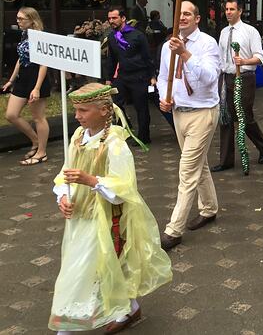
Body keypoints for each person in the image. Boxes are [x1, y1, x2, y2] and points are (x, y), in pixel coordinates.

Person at [49, 83, 171, 333]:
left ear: (104, 111)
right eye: (76, 110)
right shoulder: (77, 138)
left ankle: (67, 327)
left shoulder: (115, 144)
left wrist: (91, 180)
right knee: (99, 265)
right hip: (80, 214)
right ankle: (129, 307)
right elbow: (65, 172)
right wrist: (62, 196)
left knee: (86, 268)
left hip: (105, 217)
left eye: (83, 110)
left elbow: (124, 188)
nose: (77, 116)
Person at [157, 1, 222, 250]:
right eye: (179, 14)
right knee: (198, 164)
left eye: (187, 14)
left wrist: (185, 53)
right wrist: (164, 96)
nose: (182, 17)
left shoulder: (207, 44)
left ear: (197, 18)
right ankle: (209, 209)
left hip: (203, 113)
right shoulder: (166, 46)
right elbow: (164, 77)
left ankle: (174, 230)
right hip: (178, 113)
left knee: (187, 170)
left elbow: (209, 79)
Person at [214, 0, 263, 172]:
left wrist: (244, 60)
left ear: (240, 11)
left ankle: (262, 145)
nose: (228, 12)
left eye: (232, 9)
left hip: (244, 77)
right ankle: (226, 160)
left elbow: (260, 57)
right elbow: (220, 57)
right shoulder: (223, 32)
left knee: (244, 116)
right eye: (226, 9)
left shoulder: (250, 31)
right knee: (226, 117)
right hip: (226, 77)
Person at [2, 7, 51, 166]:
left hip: (36, 76)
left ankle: (42, 153)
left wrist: (36, 88)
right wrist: (11, 79)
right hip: (23, 76)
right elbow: (20, 58)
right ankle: (35, 141)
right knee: (11, 114)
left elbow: (44, 64)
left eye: (21, 19)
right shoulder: (24, 34)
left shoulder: (39, 37)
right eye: (17, 18)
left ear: (32, 20)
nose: (18, 21)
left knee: (38, 117)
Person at [106, 7, 155, 145]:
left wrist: (152, 75)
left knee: (141, 107)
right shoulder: (111, 37)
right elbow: (112, 60)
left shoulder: (138, 35)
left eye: (114, 18)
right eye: (109, 18)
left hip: (139, 76)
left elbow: (147, 57)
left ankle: (144, 136)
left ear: (123, 18)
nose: (111, 21)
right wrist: (109, 79)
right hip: (122, 76)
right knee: (116, 105)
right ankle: (124, 132)